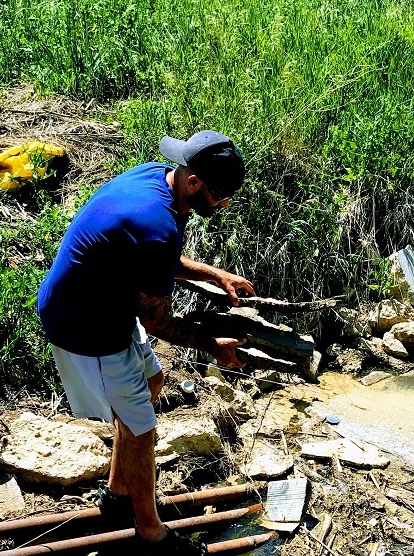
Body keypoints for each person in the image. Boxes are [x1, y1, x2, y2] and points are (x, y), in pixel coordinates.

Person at [37, 130, 255, 556]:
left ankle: (118, 493)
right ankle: (150, 531)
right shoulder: (157, 223)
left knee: (152, 383)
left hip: (109, 303)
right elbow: (156, 321)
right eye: (220, 195)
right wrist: (214, 346)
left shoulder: (158, 178)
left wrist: (215, 274)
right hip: (85, 324)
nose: (224, 204)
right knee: (142, 430)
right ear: (194, 182)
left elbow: (155, 259)